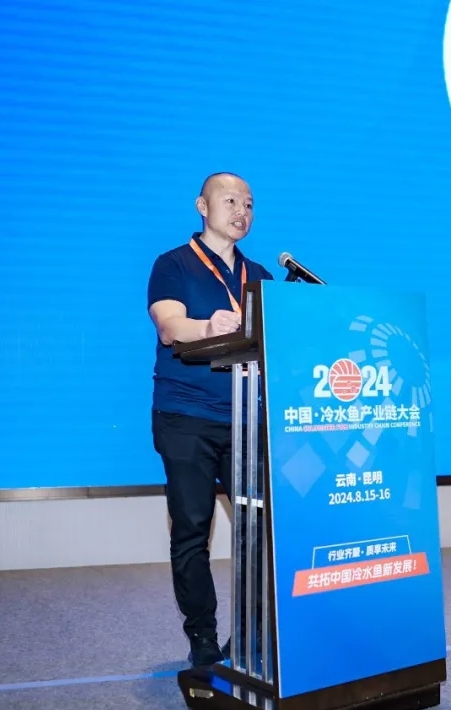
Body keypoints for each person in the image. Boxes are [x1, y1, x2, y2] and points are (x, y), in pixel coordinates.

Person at [147, 172, 274, 668]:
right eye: (231, 201)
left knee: (258, 532)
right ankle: (202, 635)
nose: (242, 211)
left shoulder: (259, 276)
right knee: (192, 530)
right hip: (186, 417)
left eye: (249, 204)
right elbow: (168, 326)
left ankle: (252, 634)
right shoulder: (173, 264)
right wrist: (206, 327)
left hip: (246, 420)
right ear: (202, 206)